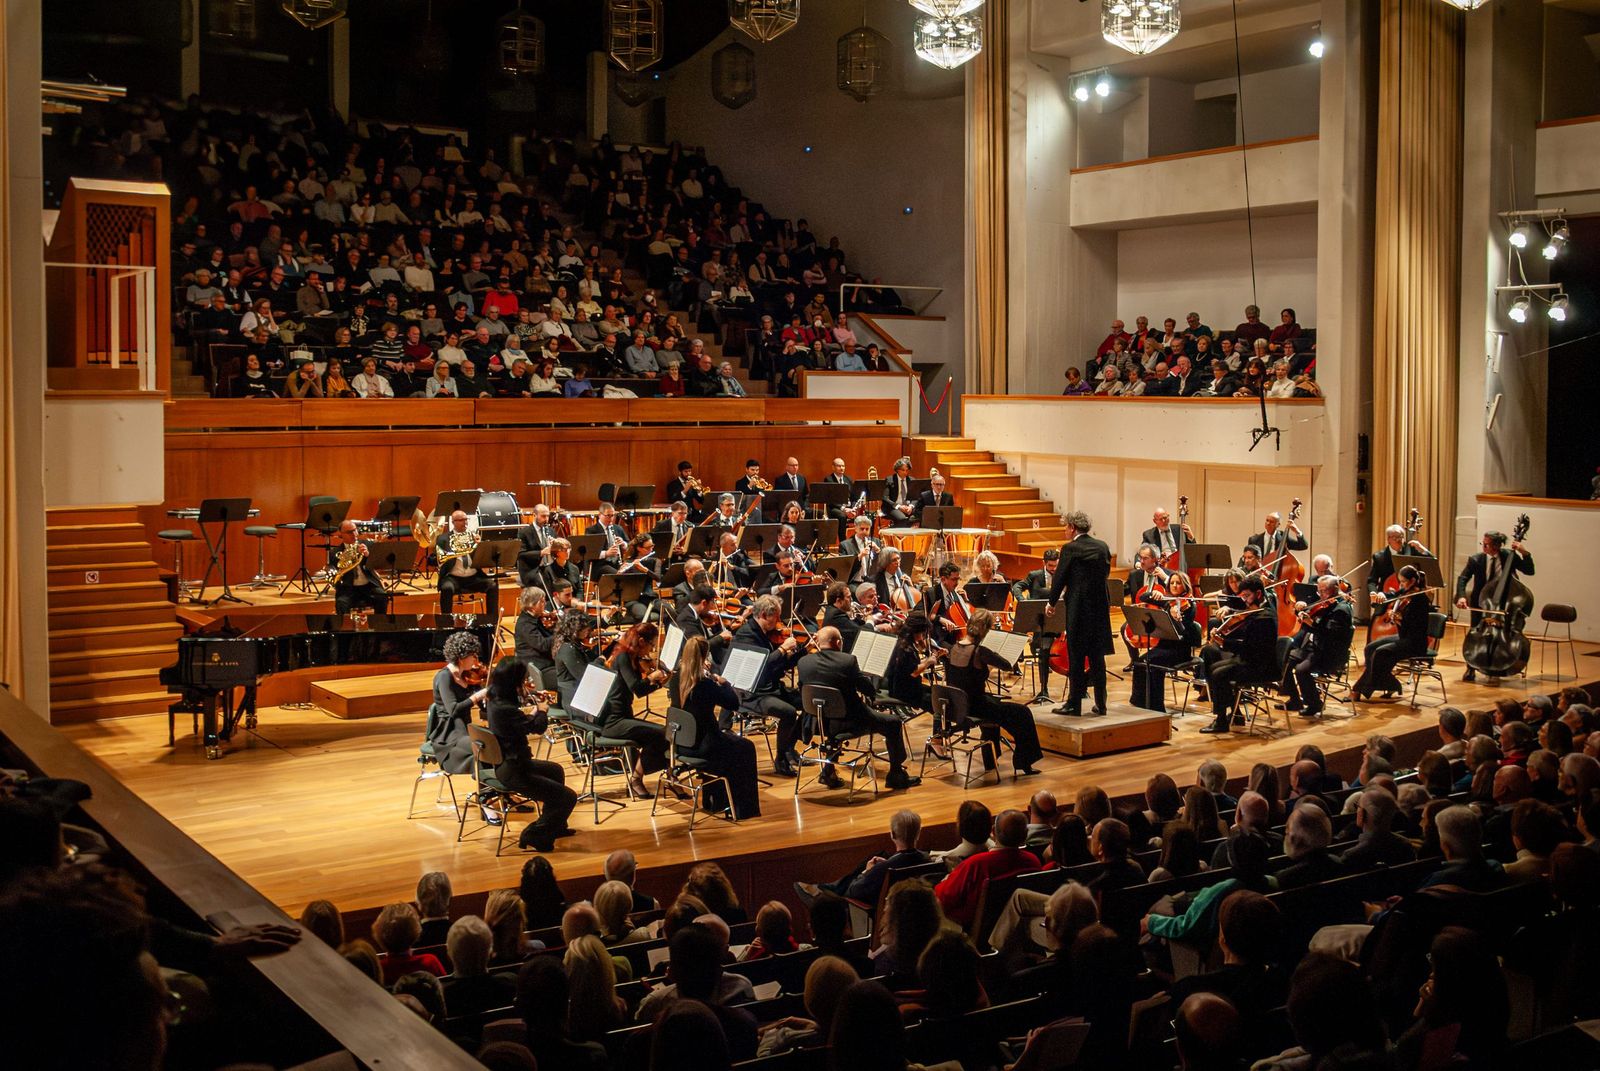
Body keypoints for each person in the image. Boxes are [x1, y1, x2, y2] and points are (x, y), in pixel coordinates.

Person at [796, 625, 919, 788]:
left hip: (818, 722)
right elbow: (868, 690)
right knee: (894, 722)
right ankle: (896, 775)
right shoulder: (847, 661)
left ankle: (828, 771)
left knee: (833, 712)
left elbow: (802, 688)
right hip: (850, 721)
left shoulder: (804, 662)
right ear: (838, 642)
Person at [481, 659, 577, 851]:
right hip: (515, 771)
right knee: (568, 797)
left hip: (514, 764)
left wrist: (532, 702)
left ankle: (554, 825)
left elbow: (519, 718)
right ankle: (535, 834)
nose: (525, 683)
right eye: (522, 680)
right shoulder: (505, 709)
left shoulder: (496, 699)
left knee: (555, 771)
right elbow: (538, 727)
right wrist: (541, 710)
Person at [668, 635, 762, 818]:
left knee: (733, 745)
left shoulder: (675, 678)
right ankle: (742, 809)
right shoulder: (705, 684)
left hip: (680, 742)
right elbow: (733, 703)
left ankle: (716, 801)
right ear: (705, 656)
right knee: (746, 747)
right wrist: (724, 683)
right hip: (704, 745)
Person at [943, 609, 1043, 776]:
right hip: (977, 707)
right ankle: (1024, 761)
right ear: (986, 630)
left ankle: (991, 761)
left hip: (960, 705)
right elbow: (1006, 665)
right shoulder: (980, 652)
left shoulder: (954, 648)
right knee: (1023, 713)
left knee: (995, 705)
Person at [1046, 511, 1114, 717]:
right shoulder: (1102, 546)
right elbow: (1106, 574)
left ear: (1073, 528)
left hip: (1078, 609)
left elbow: (1060, 577)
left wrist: (1051, 602)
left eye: (1066, 527)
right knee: (1097, 658)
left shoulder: (1070, 548)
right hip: (1100, 610)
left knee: (1076, 657)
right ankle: (1101, 704)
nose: (1065, 531)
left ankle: (1074, 704)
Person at [795, 808, 931, 907]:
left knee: (867, 866)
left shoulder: (884, 868)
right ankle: (829, 888)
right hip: (908, 906)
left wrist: (867, 871)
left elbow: (852, 892)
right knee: (879, 855)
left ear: (892, 835)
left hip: (872, 908)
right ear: (918, 834)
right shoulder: (927, 860)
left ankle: (825, 892)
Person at [732, 594, 805, 775]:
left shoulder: (766, 633)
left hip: (770, 687)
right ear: (764, 615)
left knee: (808, 702)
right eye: (776, 617)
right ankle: (780, 759)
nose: (779, 622)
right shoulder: (746, 634)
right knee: (788, 712)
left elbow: (780, 665)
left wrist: (803, 651)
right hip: (751, 693)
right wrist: (782, 650)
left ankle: (789, 748)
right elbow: (761, 665)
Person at [936, 809, 1040, 931]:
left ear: (993, 832)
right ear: (1025, 834)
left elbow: (941, 898)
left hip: (974, 931)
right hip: (1016, 930)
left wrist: (949, 877)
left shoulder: (975, 865)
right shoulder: (1033, 861)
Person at [1198, 576, 1278, 733]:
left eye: (1247, 596)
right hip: (1250, 660)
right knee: (1214, 665)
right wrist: (1223, 633)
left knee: (1218, 673)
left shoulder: (1265, 618)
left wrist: (1223, 643)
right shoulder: (1255, 614)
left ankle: (1221, 721)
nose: (1245, 601)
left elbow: (1249, 648)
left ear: (1259, 594)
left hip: (1261, 666)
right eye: (1243, 596)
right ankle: (1234, 714)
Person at [600, 623, 671, 797]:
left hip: (623, 716)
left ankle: (657, 776)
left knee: (664, 734)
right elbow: (636, 688)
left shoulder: (630, 656)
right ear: (640, 640)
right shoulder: (623, 656)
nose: (652, 649)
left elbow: (641, 690)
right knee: (662, 734)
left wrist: (660, 682)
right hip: (613, 720)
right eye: (651, 644)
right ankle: (636, 779)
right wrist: (652, 678)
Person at [1455, 528, 1536, 681]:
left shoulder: (1508, 556)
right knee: (1477, 634)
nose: (1483, 547)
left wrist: (1524, 553)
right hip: (1483, 602)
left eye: (1486, 545)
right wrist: (1461, 597)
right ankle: (1471, 668)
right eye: (1483, 544)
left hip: (1505, 604)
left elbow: (1529, 571)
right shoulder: (1476, 559)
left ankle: (1497, 667)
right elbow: (1462, 578)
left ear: (1497, 546)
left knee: (1502, 635)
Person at [1354, 565, 1432, 700]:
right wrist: (1381, 594)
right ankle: (1391, 683)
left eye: (1403, 582)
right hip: (1403, 637)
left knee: (1380, 653)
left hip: (1415, 642)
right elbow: (1393, 594)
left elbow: (1415, 627)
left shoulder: (1421, 600)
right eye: (1400, 582)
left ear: (1413, 581)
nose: (1401, 585)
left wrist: (1399, 618)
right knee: (1370, 648)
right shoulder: (1405, 592)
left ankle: (1358, 689)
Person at [1129, 571, 1201, 715]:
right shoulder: (1167, 600)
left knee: (1153, 664)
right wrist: (1163, 601)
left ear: (1185, 586)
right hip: (1163, 647)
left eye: (1178, 583)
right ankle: (1140, 703)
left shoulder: (1189, 605)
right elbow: (1143, 596)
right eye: (1172, 583)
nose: (1174, 585)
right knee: (1140, 663)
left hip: (1179, 650)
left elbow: (1184, 633)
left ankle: (1156, 707)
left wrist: (1177, 619)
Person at [1282, 574, 1353, 718]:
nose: (1320, 595)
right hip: (1316, 648)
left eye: (1323, 591)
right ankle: (1295, 700)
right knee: (1284, 661)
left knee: (1301, 670)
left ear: (1335, 589)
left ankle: (1314, 703)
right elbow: (1312, 617)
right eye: (1318, 591)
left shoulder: (1341, 609)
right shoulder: (1325, 602)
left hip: (1329, 653)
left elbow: (1330, 635)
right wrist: (1299, 610)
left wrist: (1312, 624)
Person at [1011, 548, 1061, 706]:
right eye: (1051, 565)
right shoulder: (1034, 576)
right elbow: (1017, 587)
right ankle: (1043, 687)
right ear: (1044, 563)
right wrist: (1023, 601)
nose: (1054, 569)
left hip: (1057, 619)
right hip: (1039, 621)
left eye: (1056, 565)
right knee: (1041, 649)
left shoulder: (1062, 575)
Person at [435, 510, 498, 621]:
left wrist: (480, 546)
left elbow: (484, 558)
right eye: (461, 520)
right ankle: (446, 623)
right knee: (446, 589)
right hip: (453, 577)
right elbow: (437, 560)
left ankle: (491, 622)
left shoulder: (473, 537)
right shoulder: (443, 539)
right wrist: (456, 552)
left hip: (473, 577)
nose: (465, 523)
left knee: (492, 586)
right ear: (453, 522)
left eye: (466, 519)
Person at [329, 519, 390, 614]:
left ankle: (379, 625)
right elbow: (334, 572)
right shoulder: (335, 552)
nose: (354, 534)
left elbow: (379, 565)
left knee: (382, 597)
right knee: (341, 603)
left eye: (355, 530)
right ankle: (345, 628)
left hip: (369, 586)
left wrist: (368, 555)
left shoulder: (369, 545)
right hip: (348, 589)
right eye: (349, 532)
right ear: (341, 534)